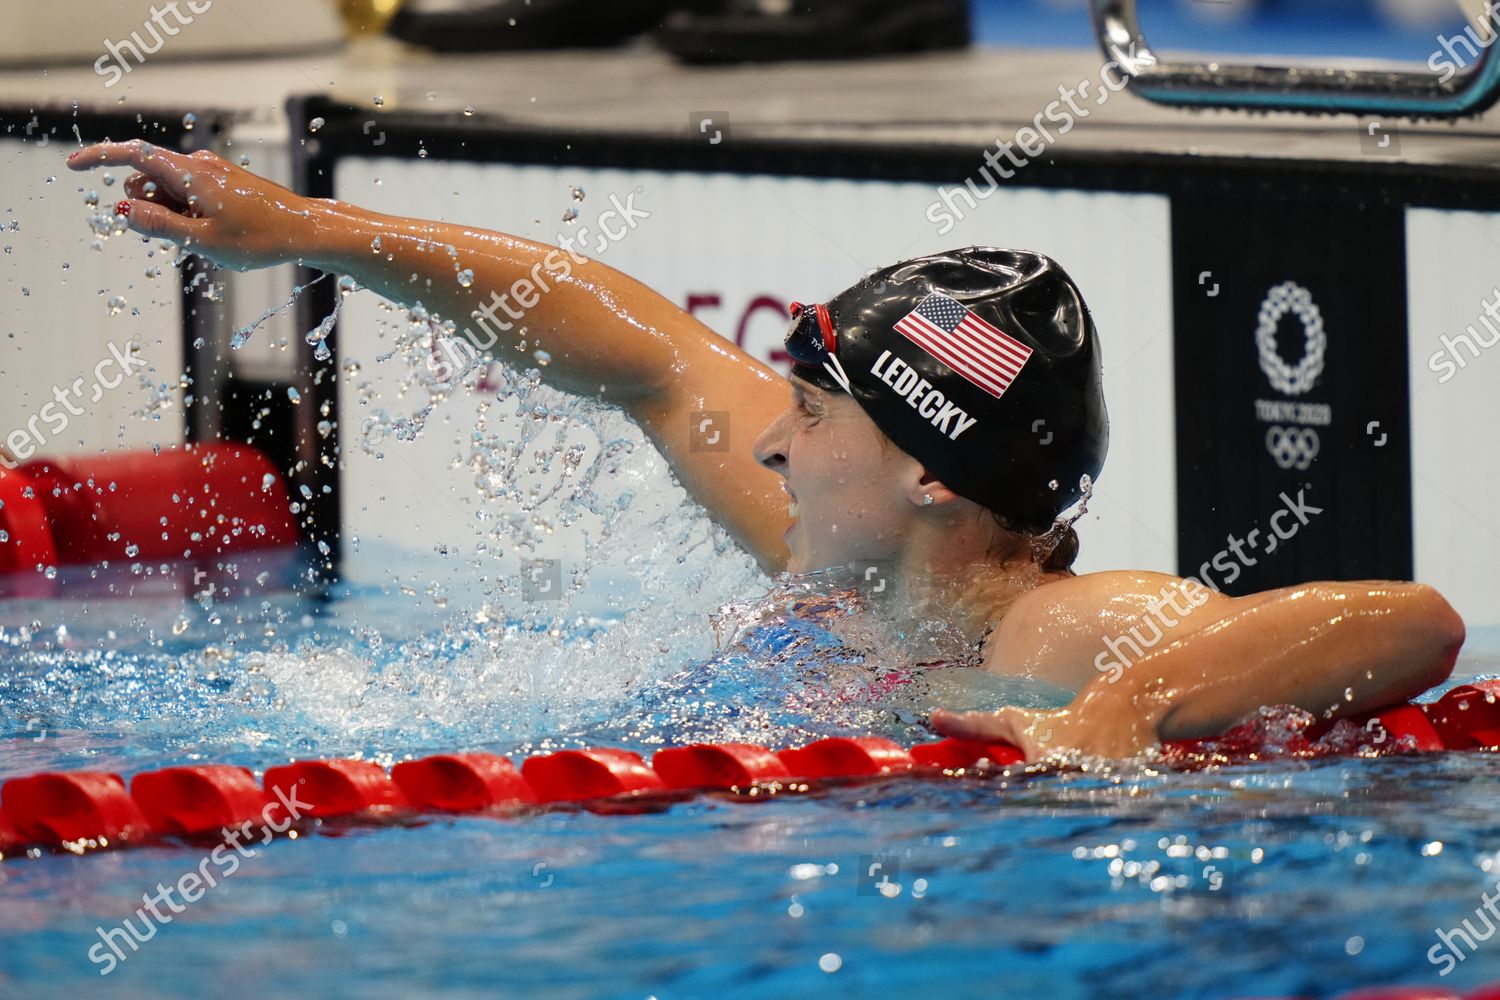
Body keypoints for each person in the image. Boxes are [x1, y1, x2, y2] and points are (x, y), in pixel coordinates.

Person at [66, 141, 1466, 760]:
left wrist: (1128, 711)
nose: (773, 453)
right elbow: (645, 353)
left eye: (811, 418)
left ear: (928, 471)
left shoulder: (1067, 630)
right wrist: (307, 228)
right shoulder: (854, 565)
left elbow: (1415, 622)